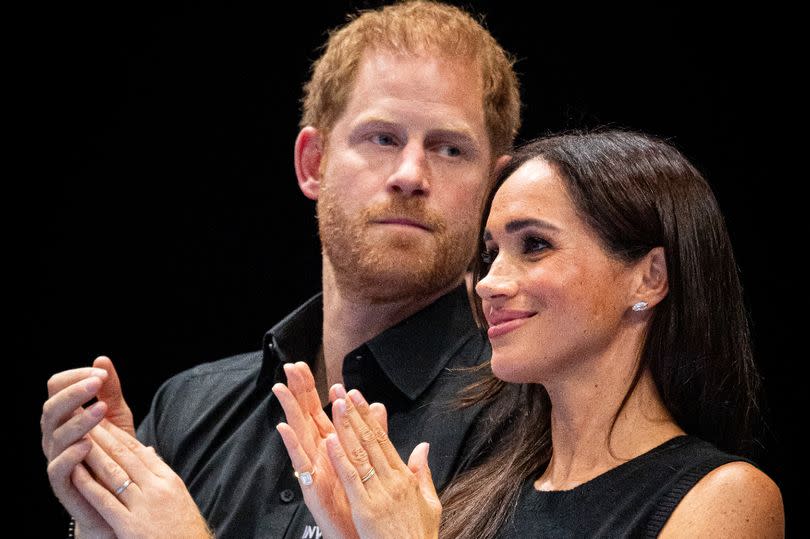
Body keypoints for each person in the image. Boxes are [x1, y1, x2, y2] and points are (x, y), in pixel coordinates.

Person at [40, 2, 520, 537]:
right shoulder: (189, 408)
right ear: (313, 163)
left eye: (450, 149)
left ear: (494, 190)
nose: (410, 174)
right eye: (382, 139)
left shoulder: (527, 419)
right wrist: (101, 523)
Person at [276, 130, 785, 537]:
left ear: (649, 277)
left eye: (535, 245)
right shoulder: (475, 496)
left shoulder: (724, 497)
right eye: (490, 253)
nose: (490, 283)